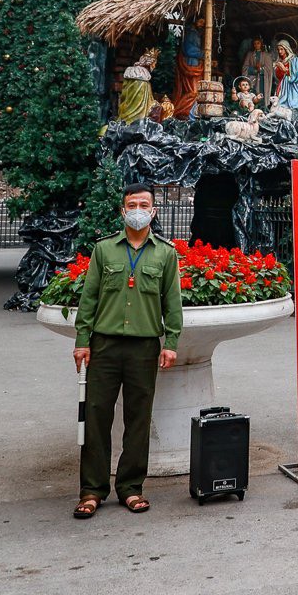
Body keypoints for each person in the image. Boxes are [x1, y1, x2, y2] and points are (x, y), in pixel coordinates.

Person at [72, 184, 183, 519]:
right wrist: (82, 339)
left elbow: (172, 302)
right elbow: (89, 297)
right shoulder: (105, 250)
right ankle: (92, 490)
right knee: (96, 417)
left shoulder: (165, 253)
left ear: (153, 211)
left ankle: (131, 488)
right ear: (123, 211)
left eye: (143, 204)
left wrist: (172, 344)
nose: (137, 209)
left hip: (144, 346)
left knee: (138, 419)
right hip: (104, 345)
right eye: (131, 204)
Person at [272, 37, 298, 111]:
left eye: (282, 49)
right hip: (282, 85)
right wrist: (278, 69)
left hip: (292, 87)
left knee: (290, 104)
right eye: (278, 50)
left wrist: (285, 70)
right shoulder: (280, 61)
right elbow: (278, 76)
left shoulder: (294, 60)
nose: (280, 51)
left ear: (286, 49)